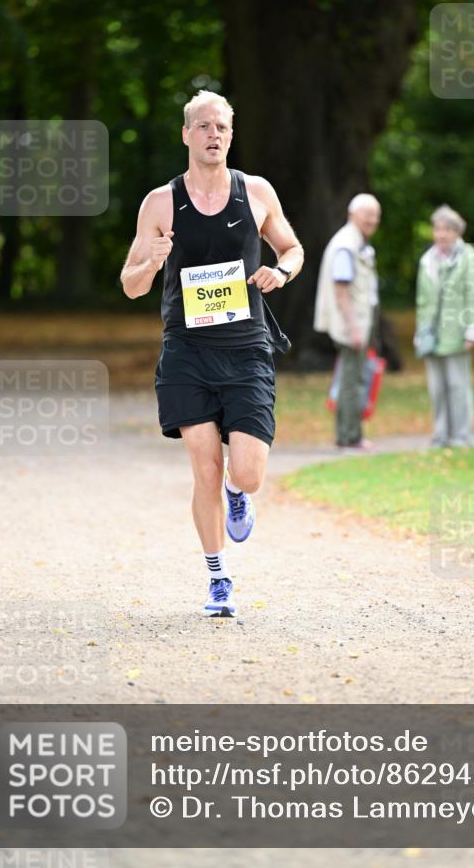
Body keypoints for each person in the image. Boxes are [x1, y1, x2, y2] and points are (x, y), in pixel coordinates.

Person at [120, 91, 303, 617]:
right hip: (187, 353)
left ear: (231, 134)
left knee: (246, 473)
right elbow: (130, 284)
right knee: (204, 469)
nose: (213, 135)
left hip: (246, 350)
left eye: (221, 126)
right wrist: (151, 262)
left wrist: (281, 272)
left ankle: (238, 492)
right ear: (186, 134)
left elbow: (292, 248)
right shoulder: (160, 203)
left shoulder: (256, 192)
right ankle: (218, 579)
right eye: (203, 126)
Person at [414, 205, 474, 448]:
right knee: (437, 388)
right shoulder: (427, 261)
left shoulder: (469, 257)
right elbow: (422, 301)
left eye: (446, 229)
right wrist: (420, 331)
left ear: (457, 232)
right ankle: (440, 435)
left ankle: (462, 436)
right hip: (431, 334)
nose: (441, 234)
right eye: (437, 229)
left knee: (457, 385)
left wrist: (473, 331)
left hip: (458, 333)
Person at [314, 194, 381, 450]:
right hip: (351, 325)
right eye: (368, 215)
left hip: (357, 323)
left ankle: (348, 435)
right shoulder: (346, 245)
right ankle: (350, 437)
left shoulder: (355, 242)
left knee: (352, 378)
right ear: (353, 214)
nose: (373, 220)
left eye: (376, 216)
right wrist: (354, 329)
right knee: (352, 381)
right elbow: (341, 289)